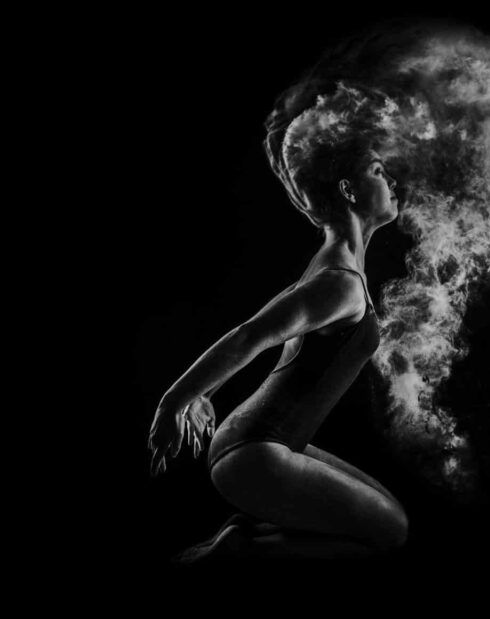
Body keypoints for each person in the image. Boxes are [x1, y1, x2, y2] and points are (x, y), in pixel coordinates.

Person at [147, 118, 408, 561]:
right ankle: (237, 551)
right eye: (379, 171)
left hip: (267, 443)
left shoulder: (333, 268)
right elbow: (250, 335)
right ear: (348, 190)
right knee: (391, 533)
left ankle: (243, 540)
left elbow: (260, 330)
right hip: (255, 453)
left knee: (390, 515)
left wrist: (205, 393)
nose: (393, 181)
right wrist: (175, 400)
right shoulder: (338, 281)